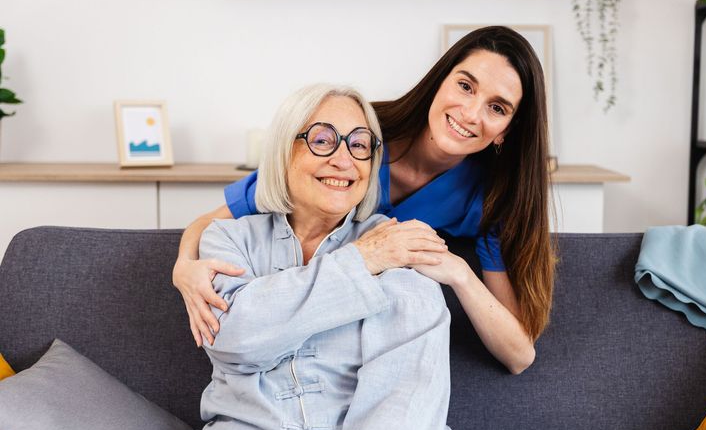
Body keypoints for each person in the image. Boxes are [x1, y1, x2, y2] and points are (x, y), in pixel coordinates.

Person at [173, 26, 555, 375]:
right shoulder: (354, 138)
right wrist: (183, 268)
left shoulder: (491, 198)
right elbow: (214, 219)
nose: (471, 114)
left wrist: (459, 274)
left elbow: (519, 355)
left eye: (497, 107)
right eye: (466, 86)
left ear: (507, 130)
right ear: (440, 82)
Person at [171, 84, 464, 430]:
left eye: (359, 145)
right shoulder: (229, 239)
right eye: (322, 140)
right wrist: (361, 261)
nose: (344, 160)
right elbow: (234, 339)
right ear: (283, 151)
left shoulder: (397, 245)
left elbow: (406, 399)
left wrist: (371, 255)